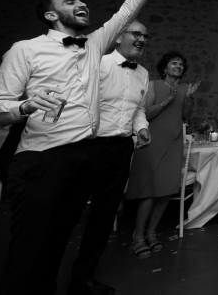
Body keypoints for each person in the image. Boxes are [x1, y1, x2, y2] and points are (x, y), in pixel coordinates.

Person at [0, 0, 168, 295]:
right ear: (52, 16)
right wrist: (23, 107)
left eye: (80, 0)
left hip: (83, 157)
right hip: (41, 158)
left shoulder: (94, 45)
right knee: (28, 248)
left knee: (57, 240)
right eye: (69, 2)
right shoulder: (26, 49)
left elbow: (126, 10)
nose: (80, 4)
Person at [67, 20, 153, 295]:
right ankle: (41, 276)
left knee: (103, 217)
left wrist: (141, 128)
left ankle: (82, 279)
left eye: (145, 36)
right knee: (67, 212)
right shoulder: (99, 64)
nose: (141, 39)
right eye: (136, 33)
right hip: (88, 147)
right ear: (118, 38)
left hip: (120, 151)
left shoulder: (143, 73)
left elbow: (138, 108)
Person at [125, 51, 200, 256]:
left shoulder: (185, 88)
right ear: (165, 68)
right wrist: (167, 100)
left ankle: (151, 233)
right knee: (149, 190)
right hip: (151, 142)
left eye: (181, 64)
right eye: (174, 63)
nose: (178, 66)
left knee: (165, 191)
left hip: (174, 143)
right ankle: (138, 236)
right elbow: (145, 113)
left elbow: (185, 117)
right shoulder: (152, 85)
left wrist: (189, 100)